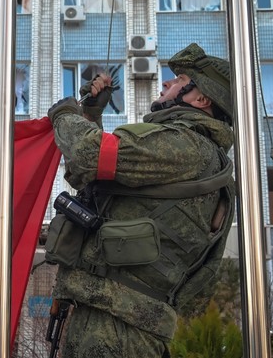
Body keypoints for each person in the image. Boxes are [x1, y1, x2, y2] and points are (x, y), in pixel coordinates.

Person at [44, 43, 236, 358]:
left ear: (201, 99)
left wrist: (65, 113)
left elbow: (86, 155)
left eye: (178, 81)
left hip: (120, 324)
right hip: (118, 315)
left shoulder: (188, 148)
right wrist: (91, 114)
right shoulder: (191, 150)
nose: (166, 84)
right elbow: (102, 182)